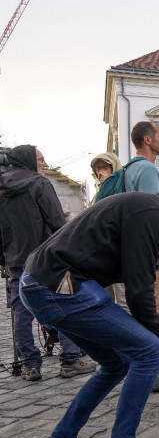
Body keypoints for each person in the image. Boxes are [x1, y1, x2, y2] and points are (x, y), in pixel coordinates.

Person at [23, 168, 159, 438]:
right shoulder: (152, 213)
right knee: (150, 351)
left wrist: (153, 258)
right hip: (59, 287)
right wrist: (154, 340)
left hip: (40, 284)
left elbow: (118, 265)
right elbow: (139, 289)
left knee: (117, 363)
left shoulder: (149, 209)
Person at [0, 145, 96, 381]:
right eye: (41, 160)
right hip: (45, 259)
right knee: (63, 306)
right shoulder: (39, 183)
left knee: (20, 314)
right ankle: (70, 360)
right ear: (28, 161)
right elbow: (56, 222)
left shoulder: (2, 188)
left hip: (14, 258)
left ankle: (31, 366)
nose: (44, 164)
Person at [124, 121, 159, 334]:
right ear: (147, 140)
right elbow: (153, 214)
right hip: (150, 251)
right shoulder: (147, 170)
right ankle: (150, 352)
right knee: (153, 309)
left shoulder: (130, 168)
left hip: (134, 247)